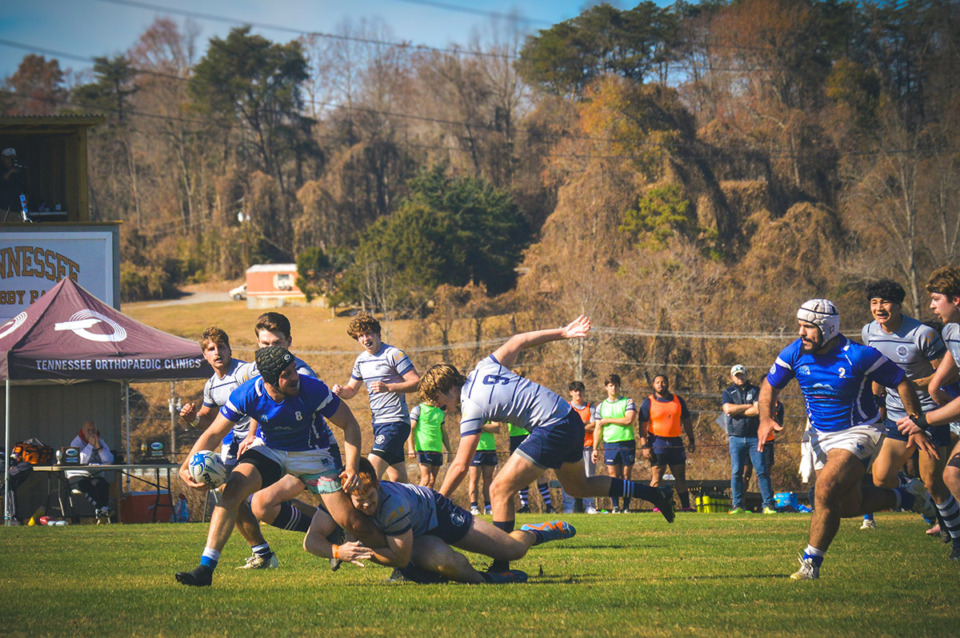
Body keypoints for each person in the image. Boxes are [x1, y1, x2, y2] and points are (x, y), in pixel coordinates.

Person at [429, 316, 675, 574]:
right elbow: (519, 340)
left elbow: (460, 465)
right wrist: (563, 332)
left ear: (446, 389)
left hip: (552, 426)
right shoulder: (482, 368)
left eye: (437, 400)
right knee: (579, 487)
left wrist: (436, 500)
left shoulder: (471, 406)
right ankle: (655, 494)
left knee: (499, 489)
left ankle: (501, 565)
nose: (439, 406)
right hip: (569, 419)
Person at [175, 346, 385, 587]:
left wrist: (351, 467)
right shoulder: (247, 394)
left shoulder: (311, 388)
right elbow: (213, 432)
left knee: (351, 522)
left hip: (314, 455)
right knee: (232, 490)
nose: (295, 376)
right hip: (271, 450)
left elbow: (349, 424)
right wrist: (187, 463)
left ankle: (404, 556)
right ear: (269, 380)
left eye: (294, 369)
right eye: (287, 374)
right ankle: (206, 568)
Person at [759, 299, 938, 580]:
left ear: (828, 328)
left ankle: (810, 564)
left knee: (825, 489)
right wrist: (764, 419)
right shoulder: (795, 352)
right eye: (799, 326)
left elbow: (900, 381)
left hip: (859, 431)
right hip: (818, 436)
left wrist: (915, 421)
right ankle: (904, 497)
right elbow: (770, 385)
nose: (801, 333)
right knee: (845, 507)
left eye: (808, 327)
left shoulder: (859, 355)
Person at [303, 457, 575, 584]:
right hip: (415, 535)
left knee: (512, 550)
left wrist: (363, 552)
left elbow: (399, 557)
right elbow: (310, 542)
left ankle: (534, 531)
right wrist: (338, 550)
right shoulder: (335, 504)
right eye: (358, 501)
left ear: (378, 485)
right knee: (447, 564)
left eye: (371, 496)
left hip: (436, 512)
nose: (366, 504)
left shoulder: (392, 505)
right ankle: (488, 579)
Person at [178, 327, 283, 569]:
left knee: (261, 499)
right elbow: (209, 420)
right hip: (233, 444)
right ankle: (263, 554)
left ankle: (323, 525)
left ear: (229, 349)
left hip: (261, 439)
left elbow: (261, 399)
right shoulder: (212, 385)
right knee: (231, 496)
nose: (217, 352)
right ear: (205, 355)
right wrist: (192, 418)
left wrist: (252, 434)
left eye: (221, 347)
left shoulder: (244, 372)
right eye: (211, 349)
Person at [861, 280, 950, 535]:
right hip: (897, 417)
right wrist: (877, 404)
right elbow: (876, 372)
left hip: (929, 416)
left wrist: (908, 384)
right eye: (874, 303)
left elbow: (946, 375)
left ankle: (951, 531)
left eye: (885, 302)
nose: (879, 308)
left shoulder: (923, 334)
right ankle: (915, 495)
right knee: (881, 478)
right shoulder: (869, 332)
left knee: (933, 481)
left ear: (899, 306)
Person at [896, 266, 960, 560]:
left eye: (937, 299)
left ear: (956, 299)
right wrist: (936, 383)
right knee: (952, 475)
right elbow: (953, 353)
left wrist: (923, 419)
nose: (932, 306)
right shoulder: (951, 329)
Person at [333, 312, 420, 482]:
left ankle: (366, 507)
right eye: (360, 336)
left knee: (369, 475)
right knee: (399, 481)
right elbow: (351, 389)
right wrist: (340, 391)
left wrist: (389, 387)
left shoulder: (394, 354)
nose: (365, 339)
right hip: (379, 424)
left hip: (395, 422)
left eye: (368, 333)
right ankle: (412, 506)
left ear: (377, 334)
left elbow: (417, 382)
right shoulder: (361, 361)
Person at [721, 365, 776, 514]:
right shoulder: (728, 392)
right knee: (737, 472)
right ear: (732, 377)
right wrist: (747, 407)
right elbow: (727, 410)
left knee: (762, 471)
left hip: (754, 437)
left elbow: (758, 410)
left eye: (742, 375)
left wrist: (737, 409)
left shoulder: (756, 391)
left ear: (746, 376)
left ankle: (768, 505)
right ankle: (737, 505)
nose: (739, 378)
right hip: (736, 438)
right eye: (736, 375)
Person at [639, 374, 696, 513]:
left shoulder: (678, 400)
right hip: (657, 441)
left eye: (663, 382)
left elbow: (687, 421)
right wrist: (644, 446)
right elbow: (642, 425)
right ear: (653, 385)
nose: (660, 384)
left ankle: (685, 506)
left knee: (680, 475)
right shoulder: (649, 402)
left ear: (668, 384)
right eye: (657, 382)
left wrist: (691, 439)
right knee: (657, 475)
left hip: (676, 442)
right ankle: (657, 506)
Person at [592, 374, 637, 513]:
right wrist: (595, 448)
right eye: (611, 385)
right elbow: (598, 428)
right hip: (610, 444)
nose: (614, 388)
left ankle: (627, 506)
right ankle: (615, 505)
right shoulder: (601, 406)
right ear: (606, 387)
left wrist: (609, 420)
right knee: (613, 476)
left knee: (626, 476)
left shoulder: (628, 402)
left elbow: (628, 420)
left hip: (626, 442)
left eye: (616, 385)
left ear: (619, 386)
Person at [65, 420, 114, 523]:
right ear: (83, 431)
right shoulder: (76, 442)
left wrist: (98, 447)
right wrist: (90, 446)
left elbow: (109, 459)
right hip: (76, 475)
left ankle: (101, 512)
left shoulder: (100, 441)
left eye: (93, 430)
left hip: (93, 474)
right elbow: (80, 461)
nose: (91, 433)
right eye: (89, 430)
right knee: (84, 484)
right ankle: (103, 509)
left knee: (103, 484)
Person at [562, 381, 597, 514]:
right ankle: (568, 507)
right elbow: (566, 424)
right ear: (571, 393)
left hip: (587, 447)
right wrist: (584, 425)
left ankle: (589, 505)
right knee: (568, 477)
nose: (578, 393)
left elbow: (594, 425)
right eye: (575, 391)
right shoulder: (566, 407)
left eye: (580, 390)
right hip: (570, 448)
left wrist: (578, 426)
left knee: (589, 476)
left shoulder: (590, 408)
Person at [407, 401, 451, 489]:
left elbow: (444, 433)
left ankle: (428, 502)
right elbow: (411, 429)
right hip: (424, 448)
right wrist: (411, 448)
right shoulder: (418, 409)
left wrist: (449, 451)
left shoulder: (440, 411)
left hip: (437, 449)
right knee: (425, 479)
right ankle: (416, 500)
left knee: (432, 481)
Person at [468, 422, 500, 515]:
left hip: (490, 448)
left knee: (488, 479)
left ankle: (488, 507)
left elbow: (497, 428)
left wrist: (481, 426)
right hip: (475, 449)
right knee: (474, 479)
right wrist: (488, 428)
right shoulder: (472, 410)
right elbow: (470, 427)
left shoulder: (491, 412)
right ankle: (474, 507)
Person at [0, 147, 27, 219]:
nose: (11, 161)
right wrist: (10, 172)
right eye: (8, 158)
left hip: (16, 209)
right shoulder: (2, 170)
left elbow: (23, 191)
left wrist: (25, 209)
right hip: (2, 209)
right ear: (3, 158)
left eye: (13, 159)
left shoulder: (18, 173)